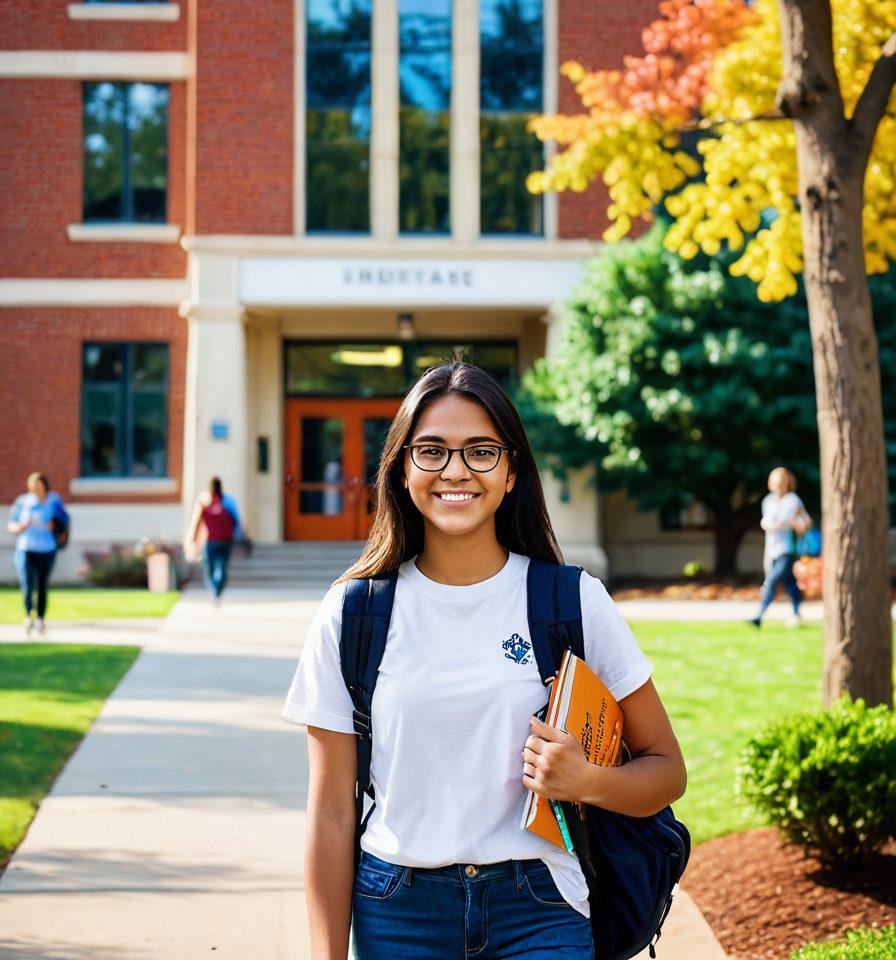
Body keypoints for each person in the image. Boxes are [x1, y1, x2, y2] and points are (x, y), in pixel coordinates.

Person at [283, 360, 686, 960]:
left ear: (511, 471)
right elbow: (332, 812)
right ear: (402, 467)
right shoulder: (352, 614)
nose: (455, 471)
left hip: (541, 910)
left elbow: (666, 772)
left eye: (480, 451)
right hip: (397, 911)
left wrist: (589, 782)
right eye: (432, 451)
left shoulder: (572, 600)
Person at [7, 472, 68, 636]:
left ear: (44, 486)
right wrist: (21, 527)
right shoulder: (23, 501)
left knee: (42, 584)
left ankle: (40, 618)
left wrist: (55, 527)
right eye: (33, 487)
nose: (36, 490)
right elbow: (11, 525)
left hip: (47, 548)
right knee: (27, 582)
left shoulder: (53, 500)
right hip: (26, 547)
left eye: (38, 486)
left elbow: (65, 521)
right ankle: (28, 615)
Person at [751, 466, 813, 628]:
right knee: (789, 582)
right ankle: (796, 613)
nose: (780, 486)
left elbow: (805, 523)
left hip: (788, 549)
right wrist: (777, 524)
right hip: (772, 549)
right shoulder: (768, 501)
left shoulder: (793, 500)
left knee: (772, 580)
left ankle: (759, 616)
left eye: (783, 483)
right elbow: (766, 523)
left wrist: (793, 522)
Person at [188, 477, 241, 601]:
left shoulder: (205, 501)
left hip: (211, 541)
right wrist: (237, 536)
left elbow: (198, 522)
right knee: (222, 566)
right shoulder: (228, 501)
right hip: (226, 541)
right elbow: (236, 520)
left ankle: (216, 588)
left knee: (210, 568)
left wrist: (194, 539)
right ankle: (219, 587)